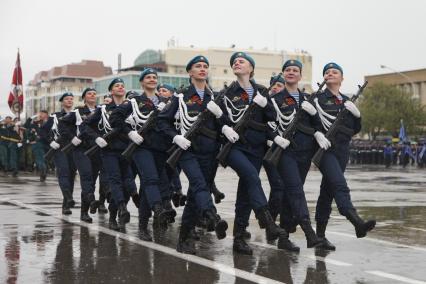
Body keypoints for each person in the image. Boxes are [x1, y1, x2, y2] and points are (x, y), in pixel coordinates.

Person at [216, 52, 286, 255]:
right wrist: (224, 128)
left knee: (246, 191)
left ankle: (239, 237)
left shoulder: (262, 92)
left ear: (251, 68)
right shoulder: (227, 93)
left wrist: (266, 105)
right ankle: (267, 219)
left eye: (241, 61)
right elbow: (217, 117)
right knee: (252, 177)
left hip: (256, 148)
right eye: (234, 62)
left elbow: (272, 117)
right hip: (235, 147)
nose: (237, 63)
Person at [158, 55, 228, 254]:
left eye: (205, 66)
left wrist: (221, 116)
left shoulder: (214, 98)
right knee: (198, 184)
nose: (202, 69)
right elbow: (163, 121)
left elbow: (223, 125)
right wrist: (175, 137)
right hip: (188, 150)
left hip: (210, 151)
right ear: (190, 72)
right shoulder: (180, 97)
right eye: (198, 66)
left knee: (196, 193)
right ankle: (212, 217)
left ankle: (184, 238)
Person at [314, 63, 376, 250]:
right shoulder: (317, 99)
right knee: (340, 185)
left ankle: (320, 236)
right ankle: (356, 221)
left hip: (342, 151)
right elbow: (310, 121)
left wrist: (357, 115)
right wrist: (317, 133)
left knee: (327, 191)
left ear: (342, 79)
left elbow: (355, 129)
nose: (330, 74)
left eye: (335, 72)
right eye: (327, 72)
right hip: (325, 150)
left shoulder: (347, 101)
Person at [109, 69, 176, 241]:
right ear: (142, 82)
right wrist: (129, 133)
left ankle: (143, 225)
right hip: (142, 147)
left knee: (147, 185)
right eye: (148, 77)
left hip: (161, 148)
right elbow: (115, 118)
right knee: (151, 179)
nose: (152, 79)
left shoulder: (167, 101)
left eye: (155, 77)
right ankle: (158, 208)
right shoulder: (134, 101)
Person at [267, 59, 324, 252]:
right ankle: (309, 233)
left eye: (295, 70)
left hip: (304, 152)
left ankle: (284, 237)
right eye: (288, 70)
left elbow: (318, 125)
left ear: (300, 75)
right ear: (283, 75)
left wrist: (313, 114)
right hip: (286, 153)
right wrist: (275, 138)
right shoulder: (275, 100)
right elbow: (269, 124)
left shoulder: (308, 100)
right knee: (296, 190)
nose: (291, 72)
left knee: (290, 195)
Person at [81, 78, 138, 230]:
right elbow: (85, 125)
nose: (120, 87)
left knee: (127, 182)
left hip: (128, 149)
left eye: (122, 85)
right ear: (111, 91)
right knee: (115, 180)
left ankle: (118, 210)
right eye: (117, 86)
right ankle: (119, 211)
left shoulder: (133, 107)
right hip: (110, 150)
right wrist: (97, 138)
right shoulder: (103, 109)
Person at [44, 92, 77, 215]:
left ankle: (66, 204)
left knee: (71, 176)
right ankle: (68, 198)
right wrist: (51, 141)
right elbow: (43, 131)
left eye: (71, 99)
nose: (69, 101)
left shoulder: (76, 115)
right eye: (67, 99)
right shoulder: (55, 116)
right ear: (62, 102)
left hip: (74, 148)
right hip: (60, 148)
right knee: (63, 173)